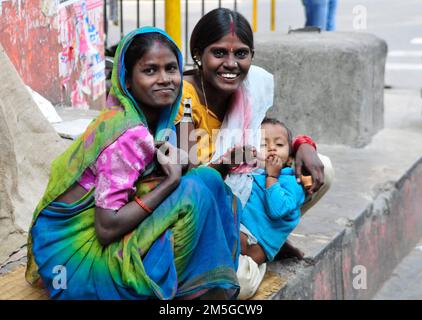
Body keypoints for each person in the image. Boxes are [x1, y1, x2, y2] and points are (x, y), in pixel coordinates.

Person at [25, 27, 241, 300]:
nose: (165, 80)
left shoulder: (148, 120)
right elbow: (106, 229)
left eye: (171, 69)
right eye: (150, 71)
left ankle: (209, 285)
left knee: (208, 180)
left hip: (67, 252)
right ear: (127, 80)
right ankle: (202, 291)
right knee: (194, 192)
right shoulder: (129, 134)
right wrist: (172, 181)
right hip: (77, 262)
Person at [175, 8, 333, 232]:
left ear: (252, 55)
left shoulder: (247, 87)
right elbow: (189, 182)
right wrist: (227, 163)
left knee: (322, 167)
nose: (231, 63)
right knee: (242, 266)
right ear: (198, 55)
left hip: (239, 196)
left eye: (241, 54)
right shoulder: (185, 100)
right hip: (200, 210)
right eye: (219, 53)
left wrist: (302, 145)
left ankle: (267, 238)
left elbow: (268, 134)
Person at [236, 118, 305, 299]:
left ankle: (254, 270)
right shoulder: (253, 170)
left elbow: (277, 210)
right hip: (241, 229)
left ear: (290, 158)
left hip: (252, 241)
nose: (272, 148)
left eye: (279, 144)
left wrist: (272, 178)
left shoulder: (292, 182)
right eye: (263, 144)